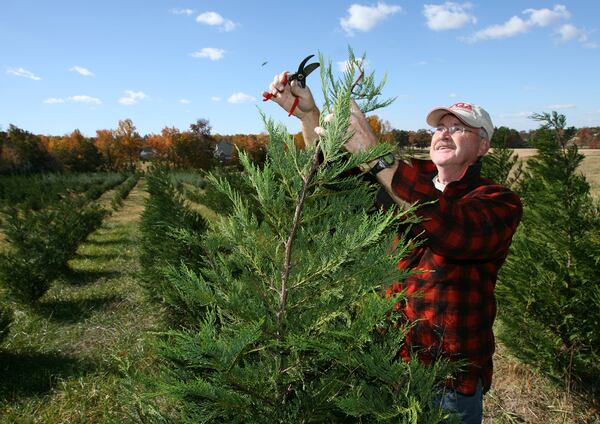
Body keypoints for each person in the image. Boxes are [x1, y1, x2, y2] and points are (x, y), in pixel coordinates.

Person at [264, 72, 522, 423]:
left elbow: (452, 229)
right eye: (439, 127)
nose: (444, 132)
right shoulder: (406, 176)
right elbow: (332, 179)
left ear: (483, 147)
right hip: (385, 369)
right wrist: (309, 115)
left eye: (459, 128)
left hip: (447, 384)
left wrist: (375, 154)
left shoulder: (498, 201)